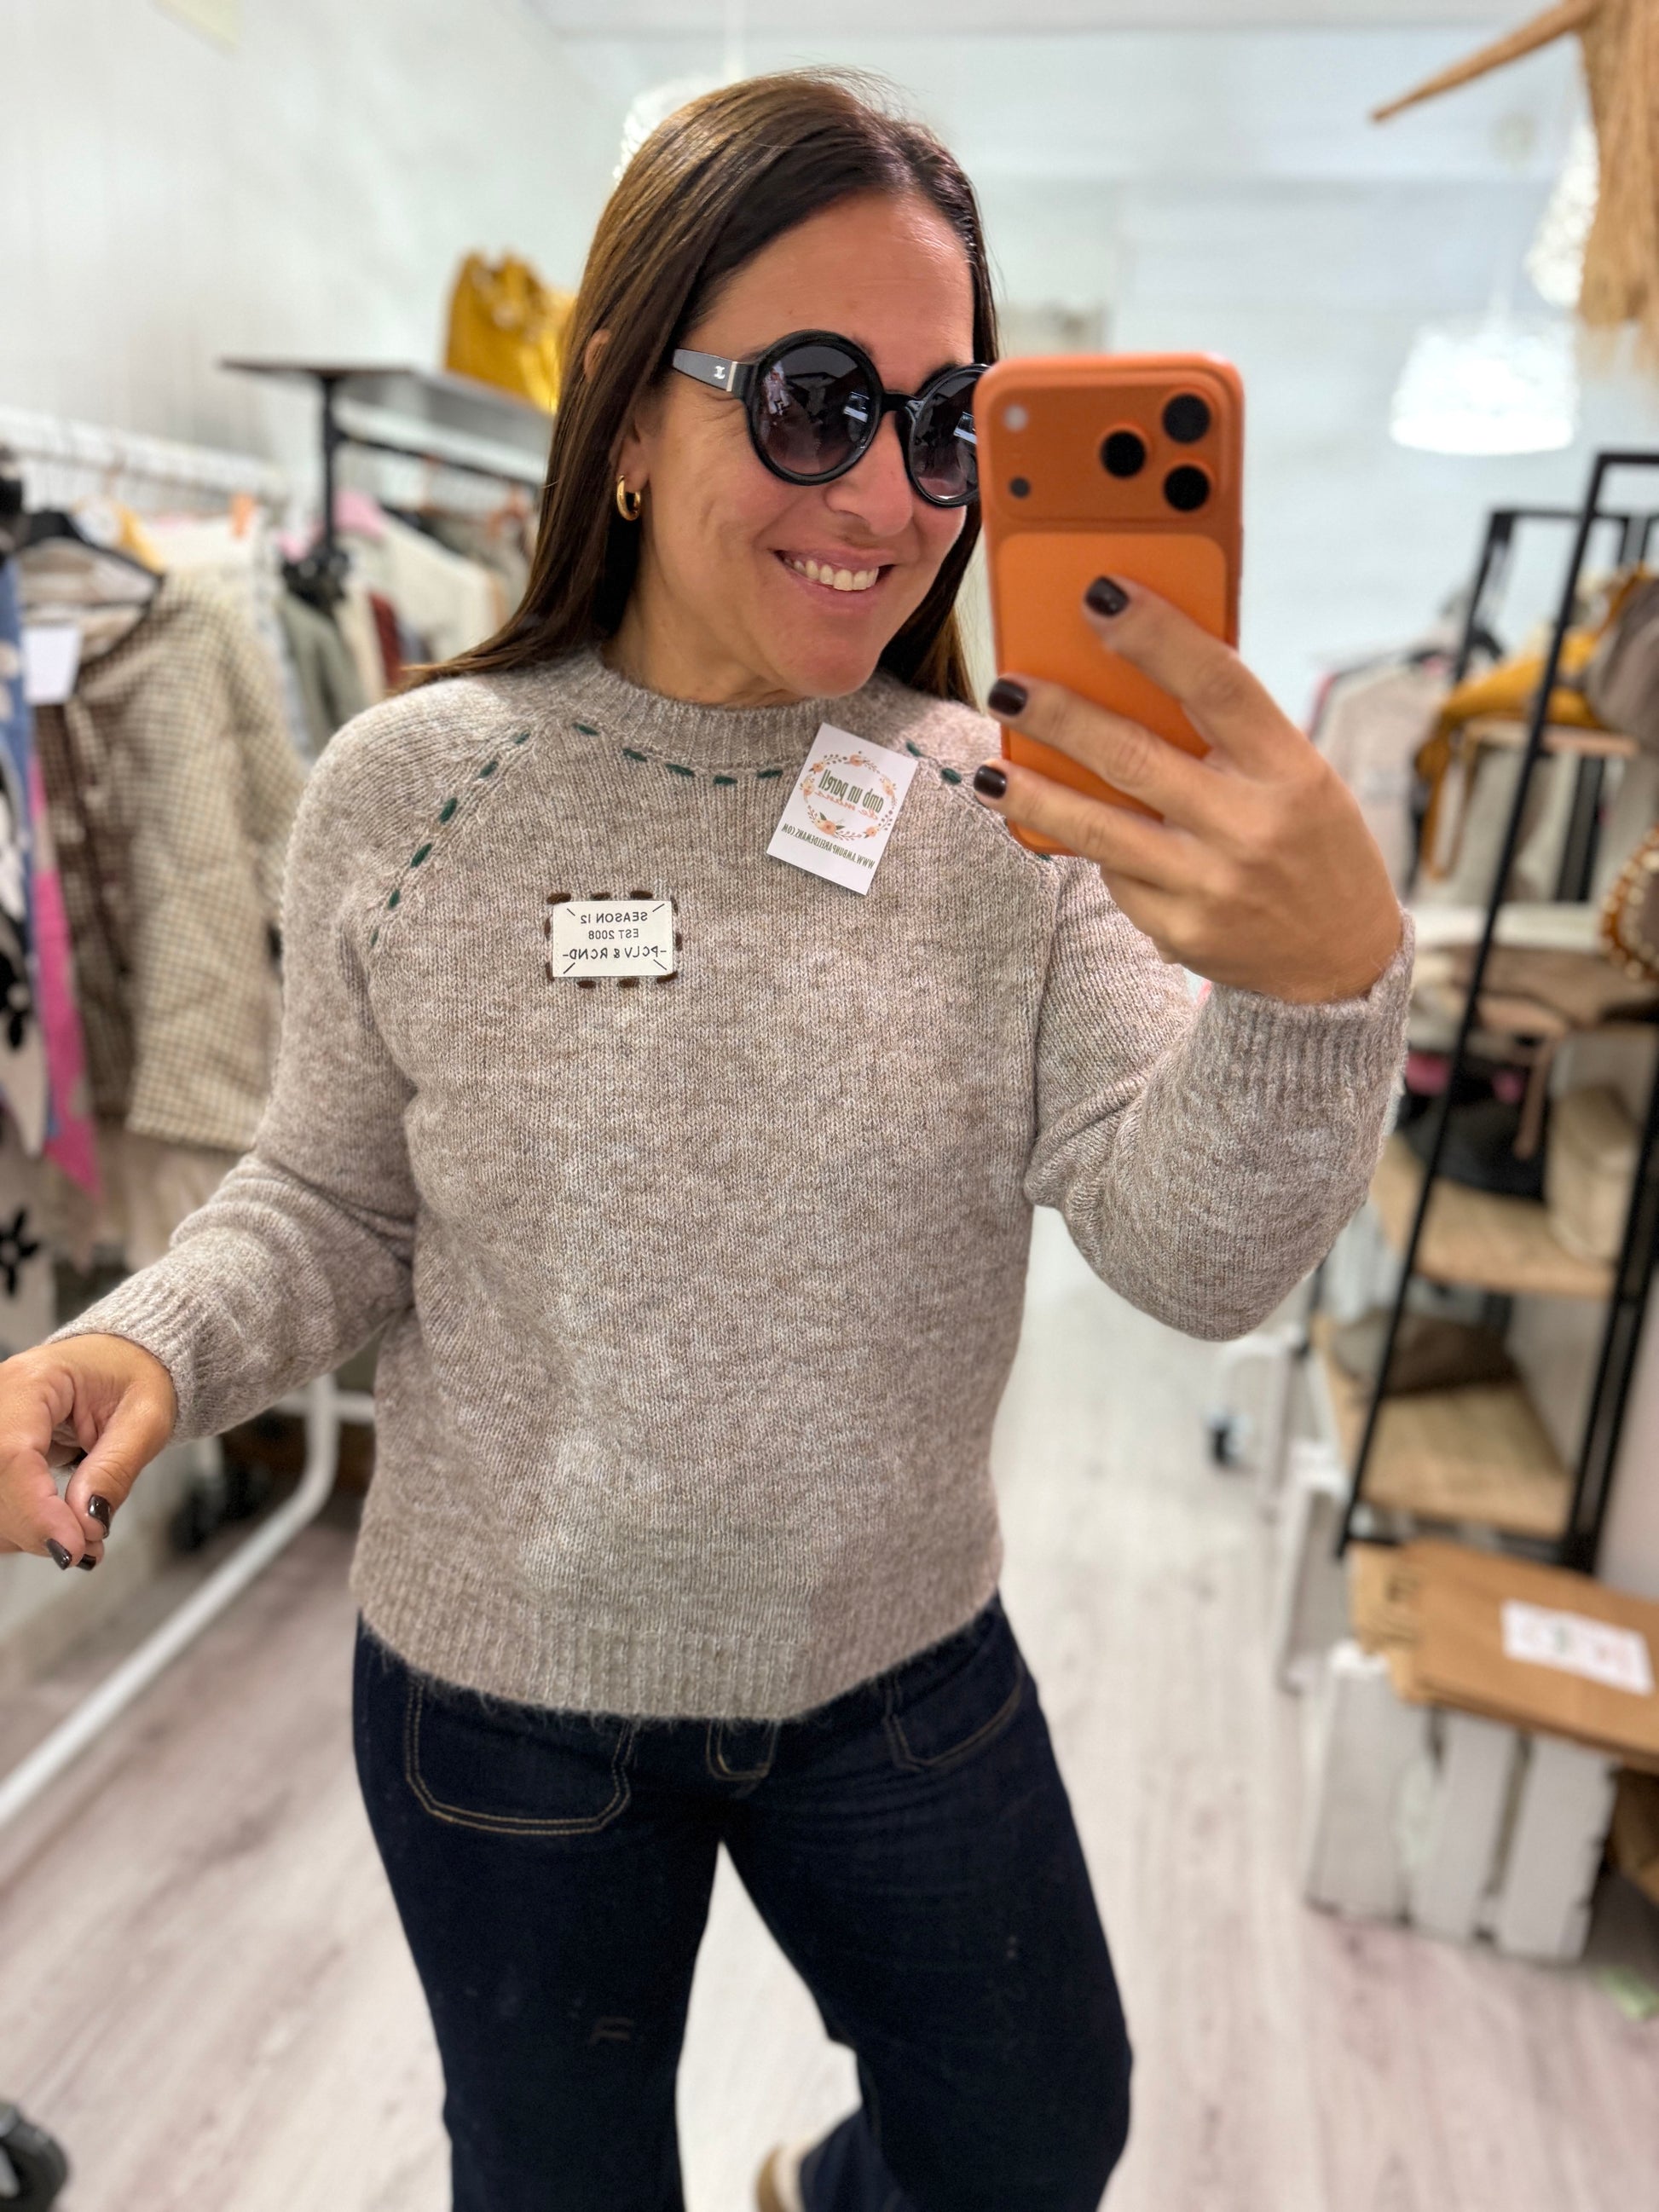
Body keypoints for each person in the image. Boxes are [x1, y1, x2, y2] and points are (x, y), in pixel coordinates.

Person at [0, 71, 1407, 2212]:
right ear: (628, 417)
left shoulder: (1016, 817)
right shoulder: (413, 787)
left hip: (897, 1665)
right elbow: (331, 1193)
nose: (893, 493)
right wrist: (152, 1340)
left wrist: (1312, 990)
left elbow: (1193, 1256)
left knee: (1034, 2130)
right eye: (815, 402)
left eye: (948, 424)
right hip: (503, 1698)